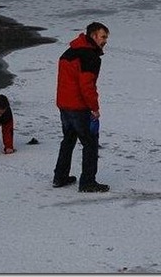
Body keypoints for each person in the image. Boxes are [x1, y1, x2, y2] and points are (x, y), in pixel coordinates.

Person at [53, 22, 110, 193]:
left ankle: (60, 177)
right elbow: (87, 86)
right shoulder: (90, 57)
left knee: (68, 140)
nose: (105, 41)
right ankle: (87, 182)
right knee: (90, 144)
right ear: (93, 36)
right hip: (79, 107)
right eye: (103, 37)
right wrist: (94, 107)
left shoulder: (69, 52)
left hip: (64, 105)